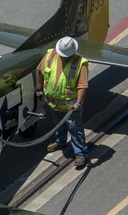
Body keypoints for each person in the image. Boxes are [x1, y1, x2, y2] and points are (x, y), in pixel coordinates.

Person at [36, 35, 90, 169]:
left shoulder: (80, 63)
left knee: (75, 128)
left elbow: (82, 85)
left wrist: (78, 103)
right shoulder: (50, 55)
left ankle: (80, 154)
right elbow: (40, 71)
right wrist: (39, 88)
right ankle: (60, 142)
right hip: (54, 103)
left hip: (71, 107)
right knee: (58, 124)